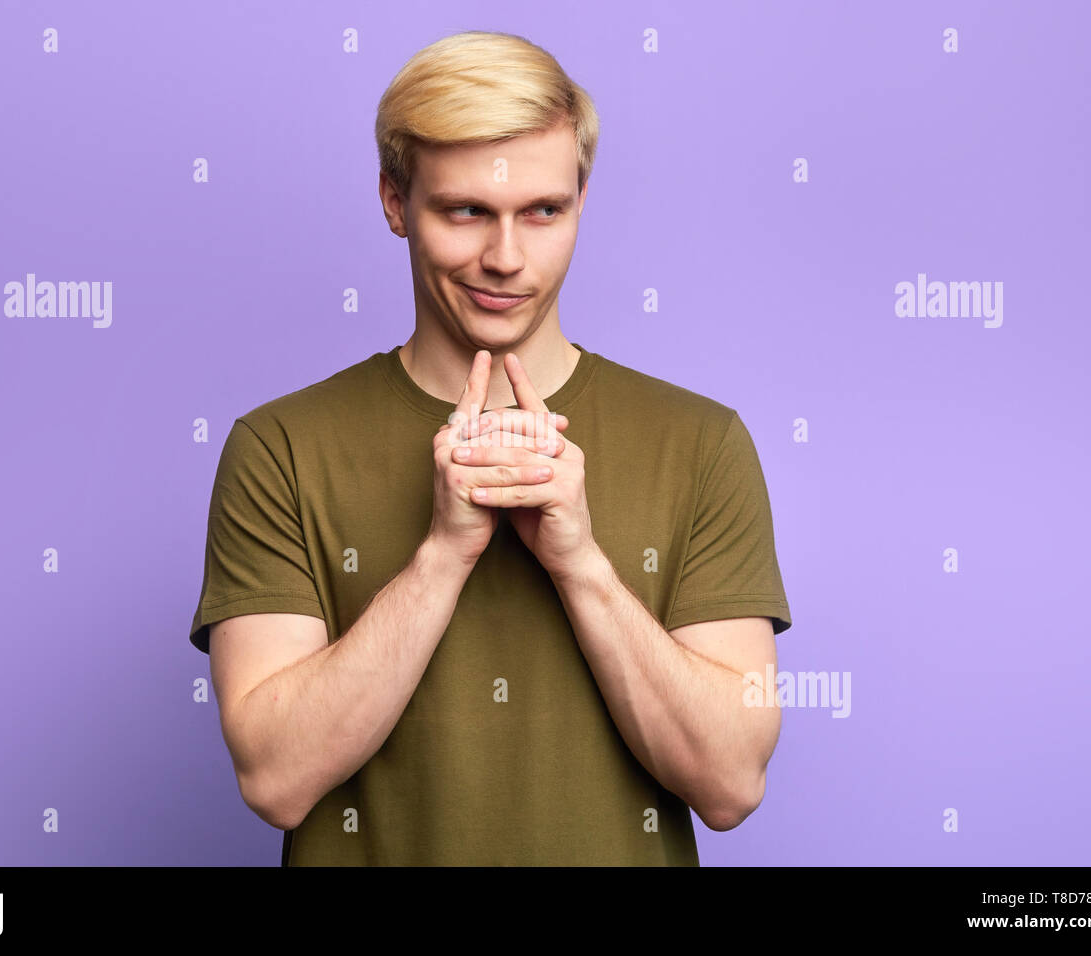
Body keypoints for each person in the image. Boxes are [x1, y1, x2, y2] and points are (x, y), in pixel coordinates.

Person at [188, 30, 792, 866]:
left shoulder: (703, 442)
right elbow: (275, 778)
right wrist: (442, 555)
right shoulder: (279, 448)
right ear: (395, 203)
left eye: (543, 211)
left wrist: (580, 563)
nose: (506, 259)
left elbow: (730, 784)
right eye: (465, 210)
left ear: (583, 199)